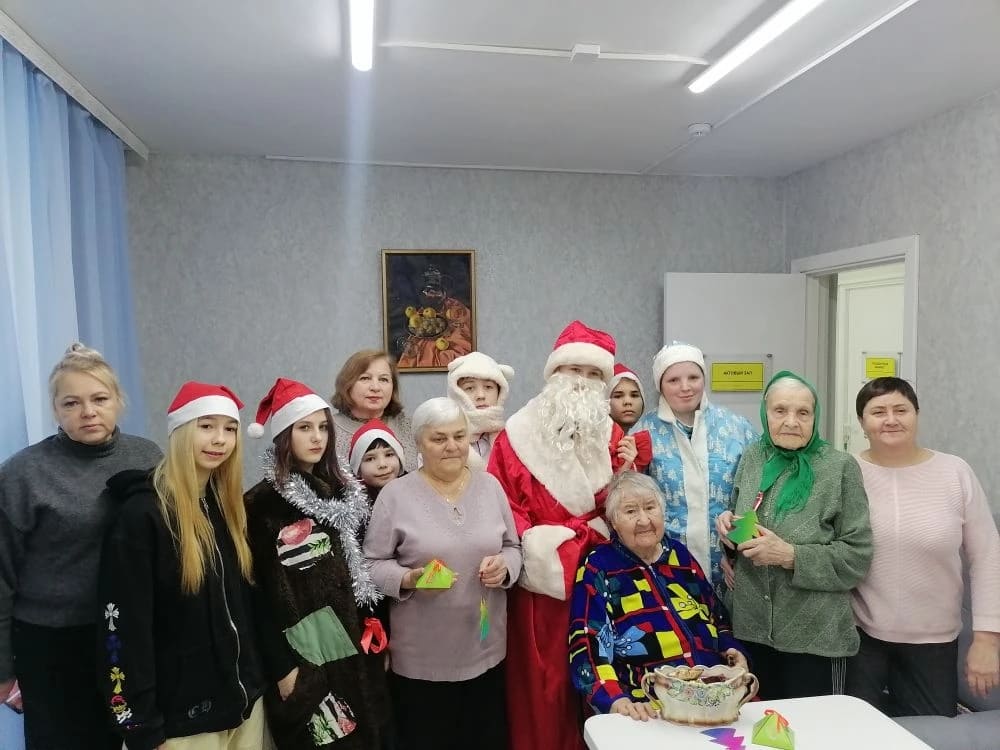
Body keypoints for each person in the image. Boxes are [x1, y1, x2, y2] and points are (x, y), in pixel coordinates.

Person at [0, 343, 161, 750]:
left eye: (99, 399)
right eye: (71, 403)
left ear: (119, 401)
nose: (88, 411)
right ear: (55, 410)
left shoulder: (148, 457)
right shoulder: (23, 474)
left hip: (129, 634)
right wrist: (2, 668)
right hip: (53, 644)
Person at [487, 320, 638, 750]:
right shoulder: (515, 433)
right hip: (543, 578)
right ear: (554, 373)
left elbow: (621, 502)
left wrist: (628, 470)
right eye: (574, 370)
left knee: (604, 666)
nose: (582, 382)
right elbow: (502, 504)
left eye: (593, 374)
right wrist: (538, 545)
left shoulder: (611, 432)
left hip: (600, 570)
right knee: (546, 681)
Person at [98, 381, 266, 750]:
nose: (219, 439)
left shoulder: (227, 508)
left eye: (230, 429)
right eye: (206, 426)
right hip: (179, 725)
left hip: (244, 710)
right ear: (180, 431)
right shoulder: (141, 515)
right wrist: (139, 726)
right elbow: (122, 631)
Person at [365, 397, 521, 750]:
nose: (452, 446)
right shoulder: (395, 495)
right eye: (439, 438)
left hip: (486, 648)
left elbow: (513, 547)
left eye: (459, 436)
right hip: (423, 660)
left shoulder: (490, 486)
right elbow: (371, 565)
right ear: (419, 443)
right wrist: (409, 579)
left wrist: (505, 568)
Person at [244, 378, 391, 748]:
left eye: (323, 427)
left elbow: (362, 572)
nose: (317, 437)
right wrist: (284, 668)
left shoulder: (344, 494)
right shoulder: (260, 505)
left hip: (359, 648)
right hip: (307, 658)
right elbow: (255, 596)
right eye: (304, 428)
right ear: (284, 435)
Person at [846, 377, 1000, 716]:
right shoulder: (846, 472)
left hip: (934, 643)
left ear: (917, 414)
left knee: (932, 734)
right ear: (861, 421)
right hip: (860, 640)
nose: (890, 420)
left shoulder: (954, 472)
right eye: (878, 412)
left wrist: (987, 639)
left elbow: (987, 556)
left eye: (901, 410)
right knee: (858, 733)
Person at [717, 371, 872, 700]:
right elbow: (746, 521)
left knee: (811, 728)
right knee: (755, 726)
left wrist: (789, 555)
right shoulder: (753, 458)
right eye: (780, 411)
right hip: (751, 631)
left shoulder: (839, 468)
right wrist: (729, 530)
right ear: (765, 414)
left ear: (815, 417)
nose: (791, 421)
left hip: (815, 637)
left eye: (803, 412)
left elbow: (856, 557)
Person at [569, 472, 749, 721]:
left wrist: (732, 648)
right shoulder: (599, 566)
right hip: (651, 700)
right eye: (630, 511)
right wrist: (615, 699)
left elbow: (716, 616)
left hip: (715, 689)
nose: (644, 520)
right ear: (614, 522)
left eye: (650, 507)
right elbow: (587, 642)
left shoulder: (679, 555)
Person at [631, 342, 757, 593]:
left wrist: (741, 555)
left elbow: (755, 495)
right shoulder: (643, 433)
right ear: (660, 386)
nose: (685, 387)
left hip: (731, 568)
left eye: (693, 377)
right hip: (667, 567)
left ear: (704, 379)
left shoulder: (736, 428)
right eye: (673, 380)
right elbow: (631, 503)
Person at [331, 350, 418, 472]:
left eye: (383, 379)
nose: (375, 388)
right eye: (365, 378)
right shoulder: (328, 430)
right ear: (347, 384)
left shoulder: (411, 427)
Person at [445, 351, 515, 469]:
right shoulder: (437, 440)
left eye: (488, 387)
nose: (481, 396)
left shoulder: (513, 440)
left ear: (500, 393)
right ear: (456, 393)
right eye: (469, 388)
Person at [348, 419, 406, 505]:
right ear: (357, 469)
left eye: (389, 455)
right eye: (370, 459)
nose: (382, 464)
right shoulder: (352, 503)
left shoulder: (417, 490)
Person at [608, 363, 645, 432]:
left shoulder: (652, 433)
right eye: (618, 396)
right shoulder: (596, 437)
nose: (628, 401)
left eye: (634, 395)